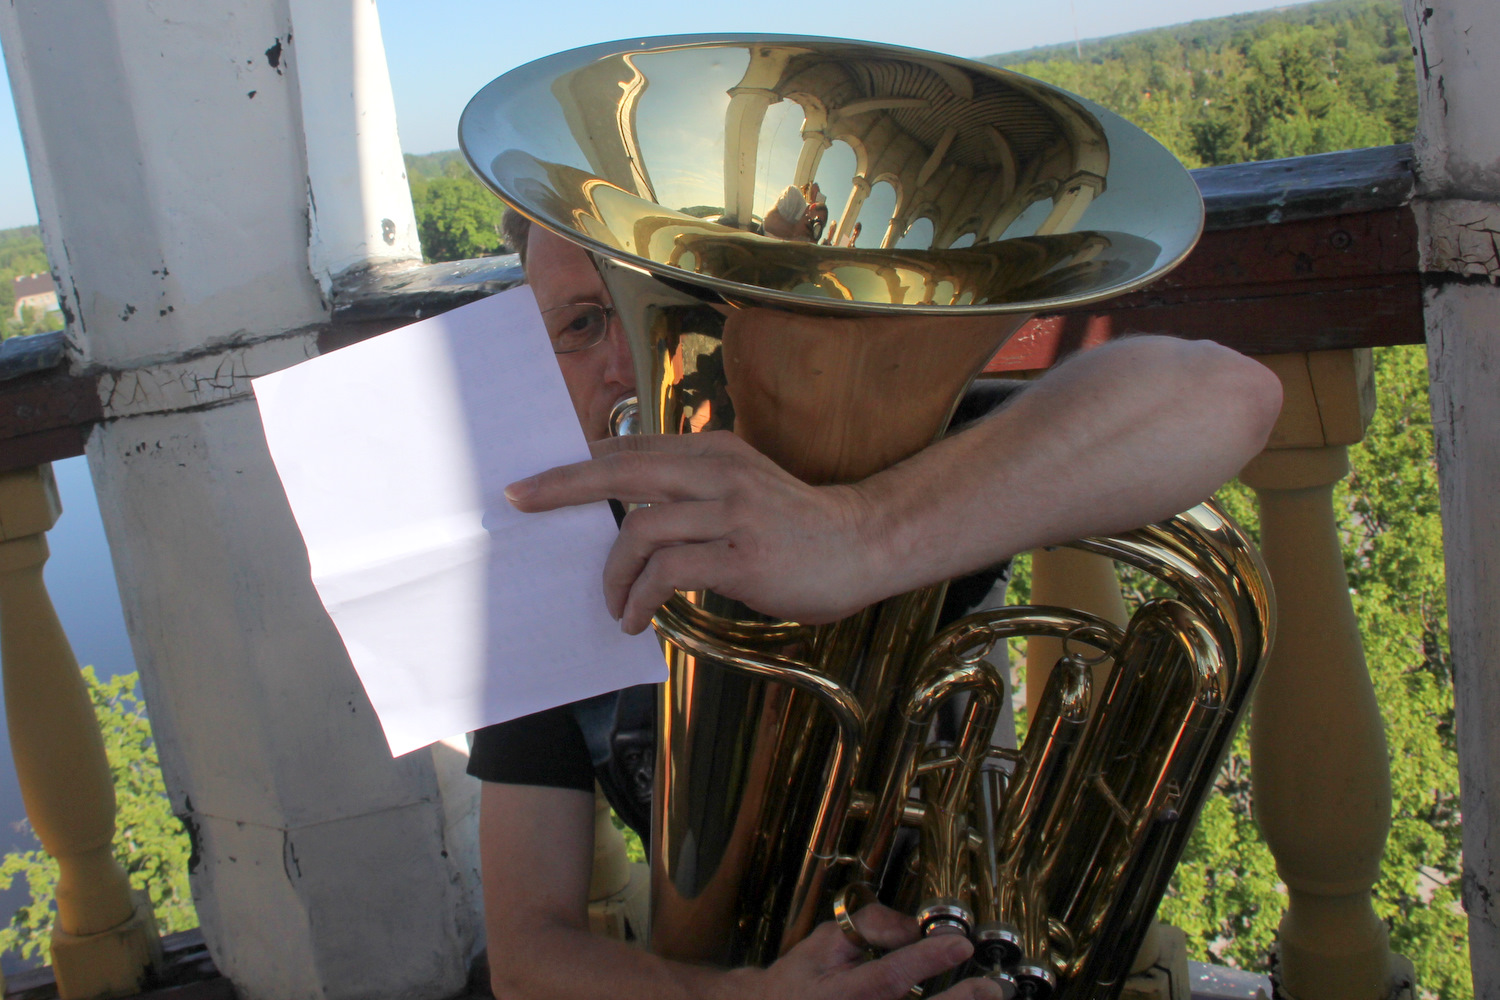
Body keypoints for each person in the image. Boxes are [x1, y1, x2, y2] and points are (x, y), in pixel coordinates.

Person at [471, 212, 1283, 1000]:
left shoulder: (877, 459)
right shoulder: (545, 573)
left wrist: (864, 530)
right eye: (580, 326)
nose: (627, 362)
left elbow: (1229, 394)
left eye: (666, 298)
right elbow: (526, 957)